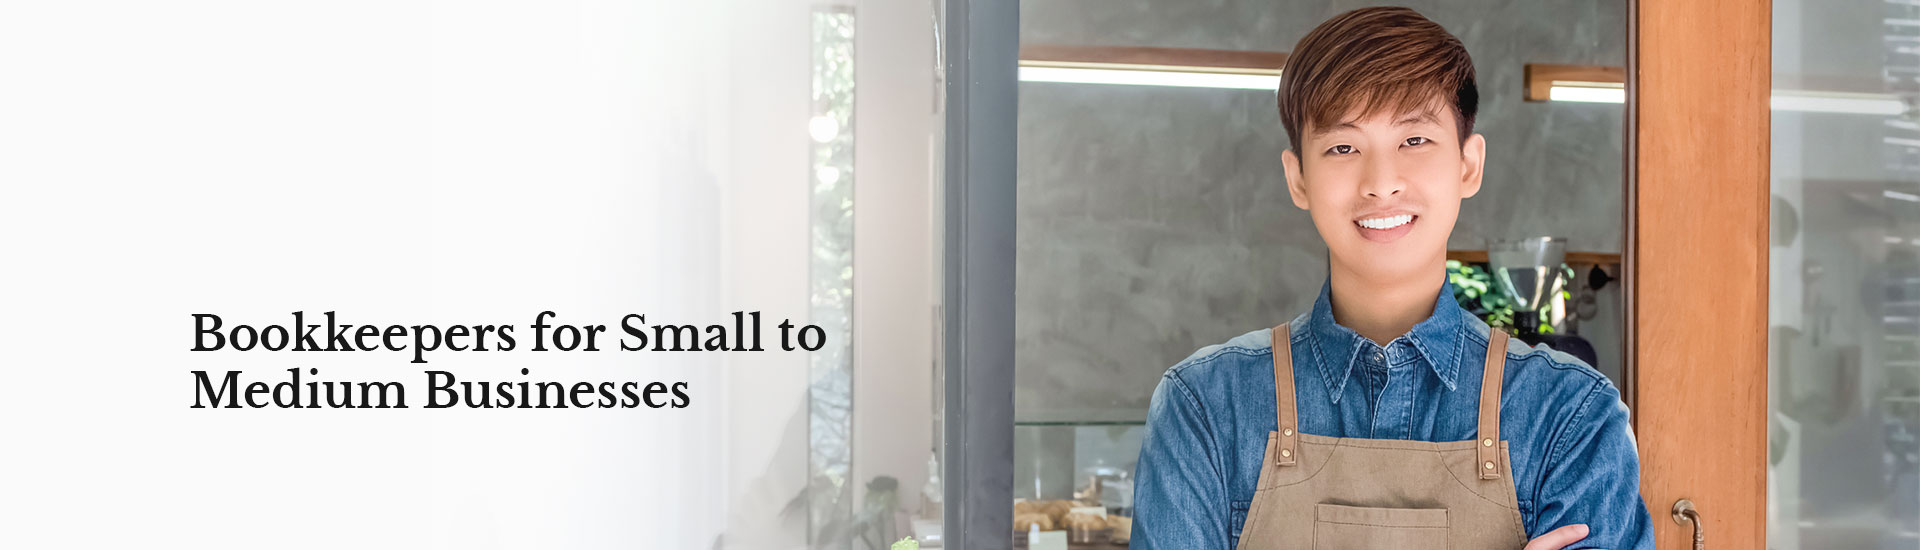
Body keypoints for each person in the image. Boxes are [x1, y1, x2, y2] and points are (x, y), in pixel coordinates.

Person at [1128, 7, 1653, 550]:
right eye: (1343, 147)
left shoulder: (1569, 414)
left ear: (1468, 166)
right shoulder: (1205, 407)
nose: (1381, 184)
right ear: (1298, 178)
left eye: (1415, 141)